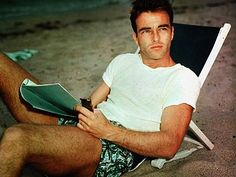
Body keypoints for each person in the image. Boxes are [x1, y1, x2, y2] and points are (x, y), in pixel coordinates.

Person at [0, 0, 201, 177]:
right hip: (89, 123)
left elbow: (169, 145)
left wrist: (108, 131)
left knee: (16, 136)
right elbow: (91, 102)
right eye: (146, 31)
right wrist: (74, 107)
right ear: (135, 38)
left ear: (172, 32)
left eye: (162, 28)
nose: (156, 37)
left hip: (111, 145)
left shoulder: (182, 78)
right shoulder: (122, 61)